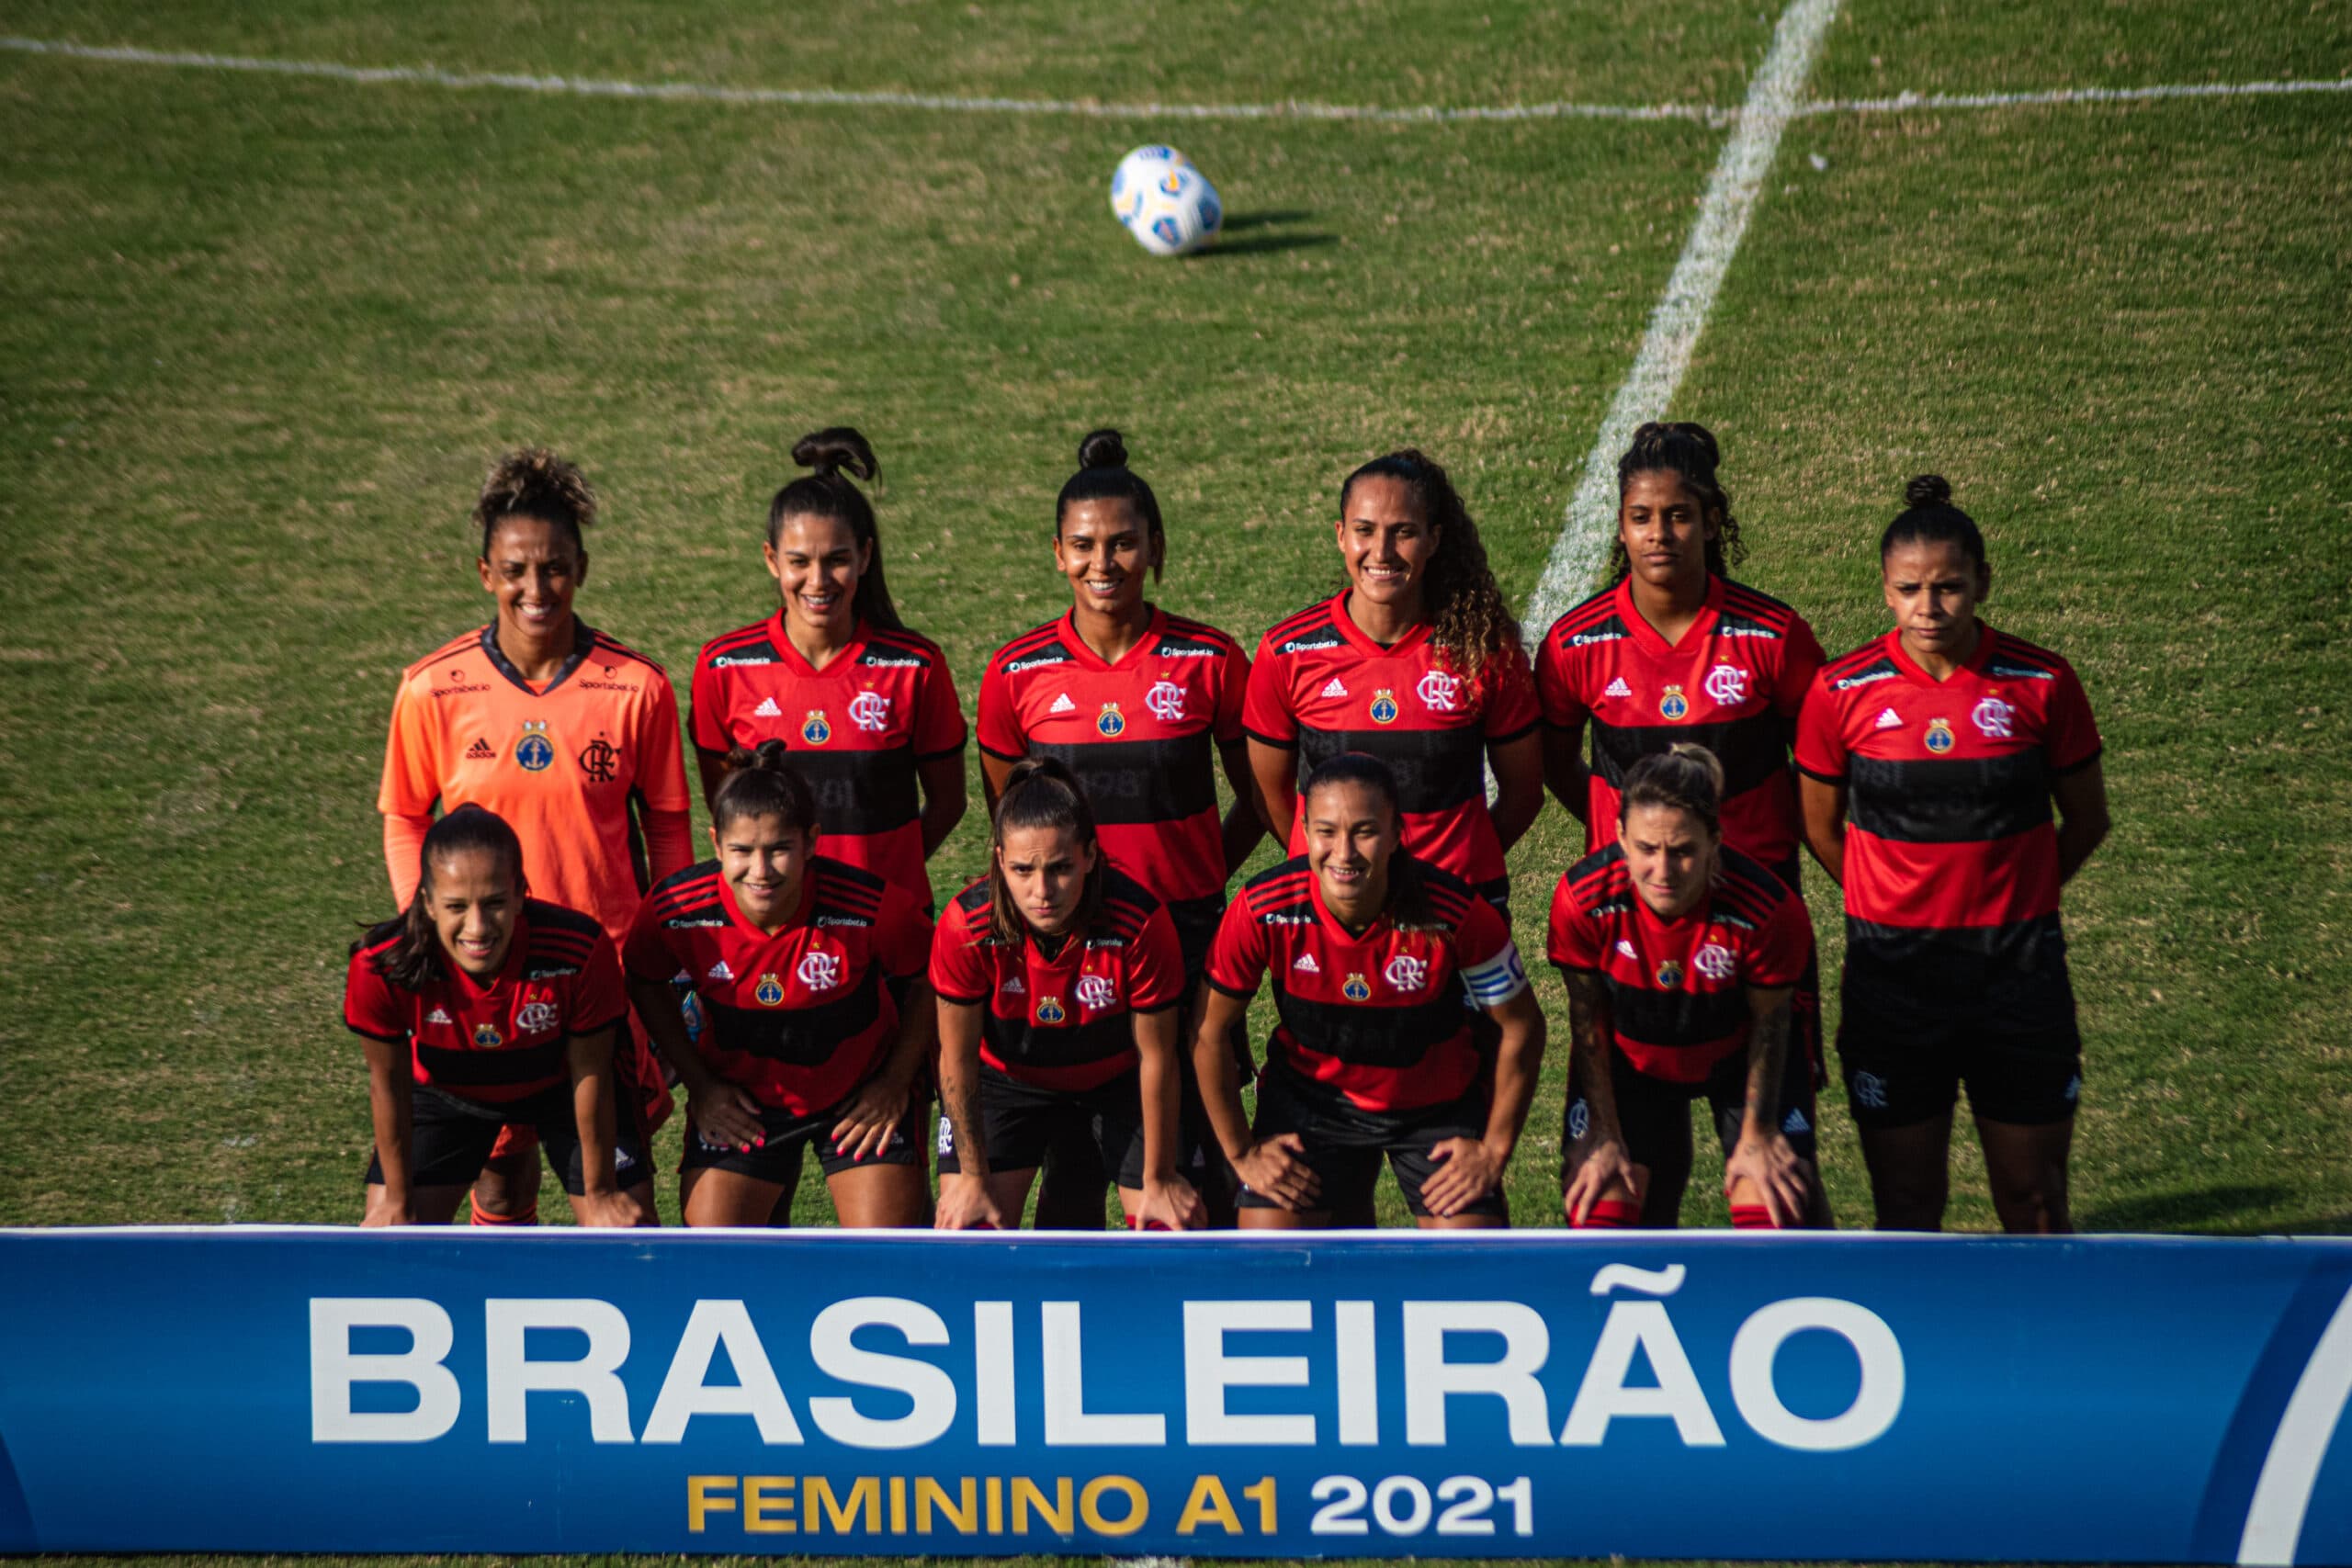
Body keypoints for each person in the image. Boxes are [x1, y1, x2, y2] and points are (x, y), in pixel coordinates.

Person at [378, 449, 690, 1226]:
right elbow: (405, 816)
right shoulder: (433, 689)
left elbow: (669, 828)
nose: (535, 589)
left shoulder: (637, 687)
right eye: (516, 570)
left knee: (622, 1203)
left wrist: (663, 953)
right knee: (499, 1186)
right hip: (483, 978)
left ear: (580, 567)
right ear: (485, 572)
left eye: (553, 568)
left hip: (597, 986)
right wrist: (434, 932)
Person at [1797, 476, 2109, 1233]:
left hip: (2019, 976)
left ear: (1983, 584)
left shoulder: (2041, 682)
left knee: (2035, 1202)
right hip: (1893, 981)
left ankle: (2040, 1350)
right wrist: (1889, 900)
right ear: (1885, 589)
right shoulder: (1843, 691)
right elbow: (1820, 826)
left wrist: (2020, 893)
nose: (1929, 608)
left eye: (1949, 588)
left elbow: (2087, 819)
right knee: (1906, 1209)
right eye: (1910, 590)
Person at [975, 428, 1259, 1227]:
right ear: (1057, 554)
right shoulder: (1015, 673)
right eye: (1085, 545)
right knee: (1073, 1158)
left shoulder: (1208, 659)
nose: (1105, 564)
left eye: (1125, 543)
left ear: (1156, 548)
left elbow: (1262, 800)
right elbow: (1010, 816)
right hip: (1066, 950)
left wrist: (1201, 870)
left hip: (1187, 935)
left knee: (1197, 1173)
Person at [1534, 422, 1830, 1144]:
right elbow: (1553, 763)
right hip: (1630, 926)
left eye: (1678, 515)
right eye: (1641, 517)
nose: (1659, 533)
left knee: (1781, 1189)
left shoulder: (1773, 636)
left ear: (1712, 520)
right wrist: (1624, 836)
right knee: (1621, 1190)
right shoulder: (1577, 644)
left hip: (1753, 921)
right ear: (1621, 526)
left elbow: (1823, 770)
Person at [1192, 753, 1545, 1228]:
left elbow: (1522, 1025)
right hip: (1311, 1105)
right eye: (1327, 831)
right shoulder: (1262, 909)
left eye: (1364, 831)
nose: (1344, 852)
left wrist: (1494, 1150)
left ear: (1399, 832)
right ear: (1306, 829)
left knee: (1470, 1261)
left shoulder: (1455, 913)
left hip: (1431, 1109)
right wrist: (1241, 1153)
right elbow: (1210, 1030)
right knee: (1272, 1260)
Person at [623, 742, 936, 1228]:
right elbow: (644, 980)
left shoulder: (871, 907)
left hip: (855, 1098)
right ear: (715, 843)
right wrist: (702, 1086)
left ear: (811, 841)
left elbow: (930, 980)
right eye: (742, 851)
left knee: (884, 1253)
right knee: (718, 1257)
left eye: (779, 850)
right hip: (744, 1104)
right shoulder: (676, 910)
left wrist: (895, 1082)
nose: (761, 871)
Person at [1244, 448, 1542, 914]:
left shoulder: (1483, 648)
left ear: (1433, 539)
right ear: (1341, 536)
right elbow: (1271, 798)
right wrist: (1332, 873)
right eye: (1364, 531)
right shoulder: (1287, 652)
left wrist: (1458, 869)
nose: (1381, 553)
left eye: (1403, 533)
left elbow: (1524, 793)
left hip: (1456, 907)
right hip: (1332, 908)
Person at [689, 427, 967, 911]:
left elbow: (949, 803)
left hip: (889, 931)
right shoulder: (724, 667)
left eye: (837, 560)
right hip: (778, 931)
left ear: (865, 556)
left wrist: (888, 880)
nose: (817, 581)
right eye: (800, 561)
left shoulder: (914, 667)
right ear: (772, 560)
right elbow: (725, 810)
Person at [344, 805, 657, 1226]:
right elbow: (388, 1085)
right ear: (428, 903)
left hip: (565, 1085)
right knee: (395, 1241)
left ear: (520, 892)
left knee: (629, 1237)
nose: (477, 928)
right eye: (456, 906)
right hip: (446, 1089)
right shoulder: (381, 964)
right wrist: (396, 1202)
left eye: (493, 903)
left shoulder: (579, 950)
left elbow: (592, 1073)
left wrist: (600, 1193)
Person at [1552, 747, 1823, 1230]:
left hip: (1740, 1061)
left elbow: (1772, 1022)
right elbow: (1587, 1019)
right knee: (1601, 1206)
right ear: (1619, 836)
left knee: (1775, 1205)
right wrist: (1605, 1131)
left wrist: (1758, 1133)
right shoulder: (1583, 900)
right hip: (1632, 1063)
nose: (1662, 871)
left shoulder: (1768, 910)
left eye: (1682, 851)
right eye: (1646, 849)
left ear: (1715, 841)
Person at [931, 759, 1201, 1232]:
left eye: (1060, 868)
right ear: (998, 859)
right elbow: (956, 1060)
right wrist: (972, 1177)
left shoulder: (1139, 923)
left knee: (1168, 1227)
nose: (1042, 891)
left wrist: (1158, 1178)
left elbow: (1158, 1056)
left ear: (1091, 855)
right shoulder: (966, 926)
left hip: (1119, 1082)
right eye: (1021, 870)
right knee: (968, 1231)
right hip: (1005, 1083)